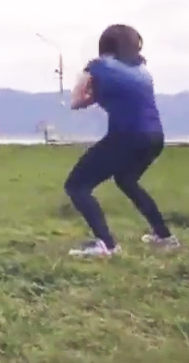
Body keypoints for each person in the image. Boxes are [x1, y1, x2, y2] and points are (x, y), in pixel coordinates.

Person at [65, 24, 179, 257]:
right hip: (154, 137)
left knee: (77, 186)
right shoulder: (143, 70)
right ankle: (164, 236)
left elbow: (76, 101)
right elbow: (127, 96)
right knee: (126, 180)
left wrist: (85, 74)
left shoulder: (97, 66)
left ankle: (106, 245)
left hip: (126, 136)